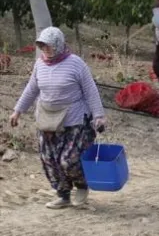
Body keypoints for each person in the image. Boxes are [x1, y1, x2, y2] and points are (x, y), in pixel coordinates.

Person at [9, 27, 107, 209]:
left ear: (59, 45)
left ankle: (82, 185)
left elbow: (91, 90)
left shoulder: (76, 64)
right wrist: (18, 111)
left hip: (74, 120)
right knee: (49, 159)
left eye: (49, 45)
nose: (46, 49)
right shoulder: (40, 64)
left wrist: (99, 116)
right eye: (42, 45)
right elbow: (31, 89)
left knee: (68, 160)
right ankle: (63, 195)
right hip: (47, 119)